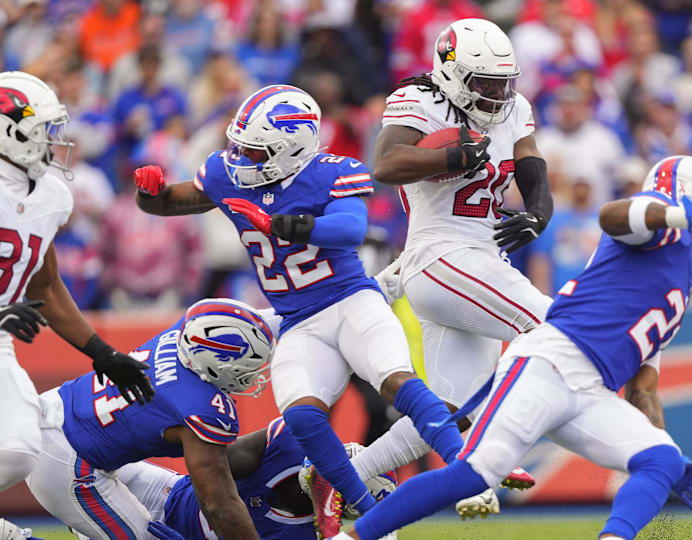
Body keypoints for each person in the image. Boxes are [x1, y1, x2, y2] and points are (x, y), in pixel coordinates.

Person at [132, 84, 465, 538]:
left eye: (255, 151)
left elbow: (350, 229)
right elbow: (173, 200)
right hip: (297, 320)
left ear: (291, 148)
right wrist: (148, 194)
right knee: (302, 416)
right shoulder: (228, 174)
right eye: (240, 147)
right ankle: (365, 512)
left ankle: (470, 468)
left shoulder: (332, 172)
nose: (241, 158)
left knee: (394, 380)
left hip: (349, 300)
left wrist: (284, 225)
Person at [334, 155, 692, 540]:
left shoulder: (679, 286)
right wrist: (684, 216)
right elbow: (613, 216)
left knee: (661, 459)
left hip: (591, 390)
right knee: (474, 474)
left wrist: (668, 453)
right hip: (550, 361)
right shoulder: (660, 229)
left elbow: (643, 390)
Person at [367, 18, 551, 514]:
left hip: (478, 260)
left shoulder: (515, 109)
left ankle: (341, 474)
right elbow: (384, 165)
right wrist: (449, 156)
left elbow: (529, 160)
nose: (496, 94)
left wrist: (540, 208)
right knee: (558, 327)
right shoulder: (420, 99)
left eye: (503, 82)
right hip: (441, 254)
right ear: (450, 72)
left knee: (454, 410)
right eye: (484, 83)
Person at [0, 71, 153, 496]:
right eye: (42, 130)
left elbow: (45, 285)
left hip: (0, 339)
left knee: (18, 447)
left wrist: (102, 353)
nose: (52, 140)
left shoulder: (51, 195)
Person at [25, 298, 275, 540]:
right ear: (217, 365)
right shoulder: (200, 407)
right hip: (65, 460)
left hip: (62, 410)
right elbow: (218, 505)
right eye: (249, 367)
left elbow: (252, 320)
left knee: (173, 499)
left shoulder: (189, 328)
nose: (255, 374)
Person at [74, 418, 398, 540]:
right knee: (74, 459)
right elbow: (210, 465)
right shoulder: (290, 441)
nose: (331, 464)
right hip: (168, 492)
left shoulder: (300, 535)